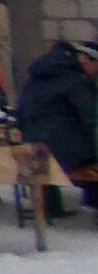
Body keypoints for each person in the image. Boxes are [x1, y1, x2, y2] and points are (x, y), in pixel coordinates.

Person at [15, 33, 98, 209]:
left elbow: (21, 113)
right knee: (91, 152)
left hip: (30, 147)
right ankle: (93, 197)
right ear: (88, 60)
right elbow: (91, 117)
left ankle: (49, 204)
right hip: (64, 154)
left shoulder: (37, 77)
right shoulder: (75, 81)